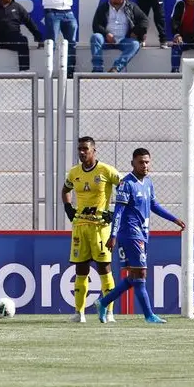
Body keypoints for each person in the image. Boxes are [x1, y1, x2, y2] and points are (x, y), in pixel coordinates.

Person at [96, 148, 186, 325]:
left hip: (142, 233)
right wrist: (113, 235)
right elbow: (119, 212)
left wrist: (174, 219)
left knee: (135, 276)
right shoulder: (126, 184)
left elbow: (154, 205)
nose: (144, 165)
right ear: (133, 163)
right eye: (140, 162)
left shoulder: (148, 183)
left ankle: (103, 302)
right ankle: (149, 315)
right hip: (130, 233)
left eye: (147, 162)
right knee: (141, 273)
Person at [61, 136, 122, 323]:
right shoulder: (74, 173)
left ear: (94, 151)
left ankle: (109, 312)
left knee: (104, 269)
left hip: (100, 227)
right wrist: (68, 208)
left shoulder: (106, 171)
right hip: (80, 227)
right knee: (81, 269)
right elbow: (65, 190)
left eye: (85, 149)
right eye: (79, 149)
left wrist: (113, 212)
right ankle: (79, 313)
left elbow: (125, 188)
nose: (81, 152)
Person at [90, 0, 148, 73]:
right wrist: (106, 34)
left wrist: (135, 32)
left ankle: (116, 68)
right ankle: (97, 69)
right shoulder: (103, 7)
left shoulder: (131, 7)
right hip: (106, 40)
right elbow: (96, 25)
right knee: (96, 37)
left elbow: (144, 20)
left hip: (124, 40)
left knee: (135, 44)